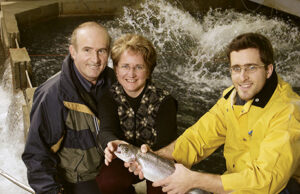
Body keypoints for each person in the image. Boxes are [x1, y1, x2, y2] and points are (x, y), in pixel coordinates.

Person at [128, 32, 300, 194]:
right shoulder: (232, 98)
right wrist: (154, 158)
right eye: (236, 68)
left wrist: (195, 180)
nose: (242, 77)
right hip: (237, 183)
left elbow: (265, 181)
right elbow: (197, 139)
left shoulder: (287, 112)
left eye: (251, 68)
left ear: (268, 70)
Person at [22, 21, 116, 194]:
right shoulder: (52, 95)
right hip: (78, 179)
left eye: (101, 51)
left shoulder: (115, 81)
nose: (95, 59)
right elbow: (36, 155)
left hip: (112, 170)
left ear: (108, 53)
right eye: (87, 50)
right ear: (72, 51)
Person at [96, 34, 178, 194]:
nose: (131, 74)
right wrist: (112, 143)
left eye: (139, 67)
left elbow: (167, 143)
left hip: (156, 159)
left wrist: (147, 161)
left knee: (163, 189)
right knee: (107, 182)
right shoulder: (108, 97)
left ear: (148, 71)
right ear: (116, 69)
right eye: (125, 66)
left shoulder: (165, 100)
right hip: (124, 160)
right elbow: (106, 130)